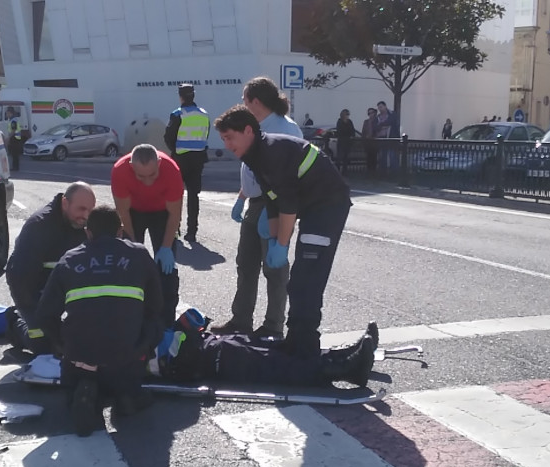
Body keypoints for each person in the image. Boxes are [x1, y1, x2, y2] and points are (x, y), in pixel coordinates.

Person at [215, 105, 352, 359]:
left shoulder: (270, 152)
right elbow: (273, 199)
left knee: (306, 278)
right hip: (311, 206)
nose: (227, 144)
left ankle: (304, 344)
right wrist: (274, 234)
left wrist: (281, 243)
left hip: (326, 206)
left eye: (230, 137)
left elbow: (287, 203)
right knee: (300, 278)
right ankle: (297, 341)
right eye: (223, 139)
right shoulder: (256, 154)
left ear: (247, 131)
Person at [35, 206, 164, 437]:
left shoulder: (70, 259)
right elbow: (156, 307)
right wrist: (141, 344)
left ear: (88, 233)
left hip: (80, 358)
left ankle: (84, 388)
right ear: (120, 231)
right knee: (154, 324)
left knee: (80, 357)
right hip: (125, 358)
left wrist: (64, 348)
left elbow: (45, 315)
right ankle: (128, 393)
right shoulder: (139, 255)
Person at [211, 76, 302, 340]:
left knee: (274, 269)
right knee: (246, 264)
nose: (243, 104)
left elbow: (285, 177)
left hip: (274, 204)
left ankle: (273, 326)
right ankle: (241, 319)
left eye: (245, 99)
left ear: (256, 101)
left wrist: (276, 217)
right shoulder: (255, 125)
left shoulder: (284, 128)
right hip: (255, 203)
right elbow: (255, 169)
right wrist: (242, 197)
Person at [5, 182, 96, 354]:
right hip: (35, 292)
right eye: (81, 209)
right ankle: (15, 322)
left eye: (90, 211)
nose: (85, 216)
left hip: (64, 290)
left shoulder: (85, 226)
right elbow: (20, 279)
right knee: (43, 344)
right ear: (64, 203)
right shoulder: (39, 226)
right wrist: (42, 317)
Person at [151, 323, 379, 389]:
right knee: (263, 362)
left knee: (269, 346)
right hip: (187, 359)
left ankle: (340, 356)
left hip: (194, 343)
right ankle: (343, 369)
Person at [111, 144, 183, 327]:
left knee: (167, 270)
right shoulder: (120, 170)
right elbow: (123, 214)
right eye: (141, 176)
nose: (148, 181)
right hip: (133, 212)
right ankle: (132, 317)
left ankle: (167, 321)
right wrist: (134, 248)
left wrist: (166, 247)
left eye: (152, 175)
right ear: (131, 165)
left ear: (158, 163)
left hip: (162, 213)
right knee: (129, 266)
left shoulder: (171, 169)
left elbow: (175, 214)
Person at [164, 83, 210, 243]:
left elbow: (168, 137)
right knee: (193, 195)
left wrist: (176, 150)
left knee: (175, 195)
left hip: (180, 159)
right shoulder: (204, 114)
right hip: (198, 159)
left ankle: (175, 228)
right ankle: (192, 232)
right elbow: (206, 135)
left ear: (181, 96)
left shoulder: (178, 114)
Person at [335, 109, 355, 174]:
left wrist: (351, 136)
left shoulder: (349, 122)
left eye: (348, 114)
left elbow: (352, 130)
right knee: (339, 157)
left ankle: (345, 171)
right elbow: (339, 131)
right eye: (346, 114)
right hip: (341, 141)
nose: (347, 116)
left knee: (346, 157)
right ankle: (337, 170)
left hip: (347, 142)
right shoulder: (339, 121)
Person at [5, 106, 25, 172]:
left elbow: (13, 130)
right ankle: (15, 167)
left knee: (14, 154)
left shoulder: (13, 120)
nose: (6, 114)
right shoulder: (13, 120)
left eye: (7, 113)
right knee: (14, 154)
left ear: (10, 113)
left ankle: (15, 167)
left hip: (15, 138)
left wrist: (8, 138)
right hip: (15, 138)